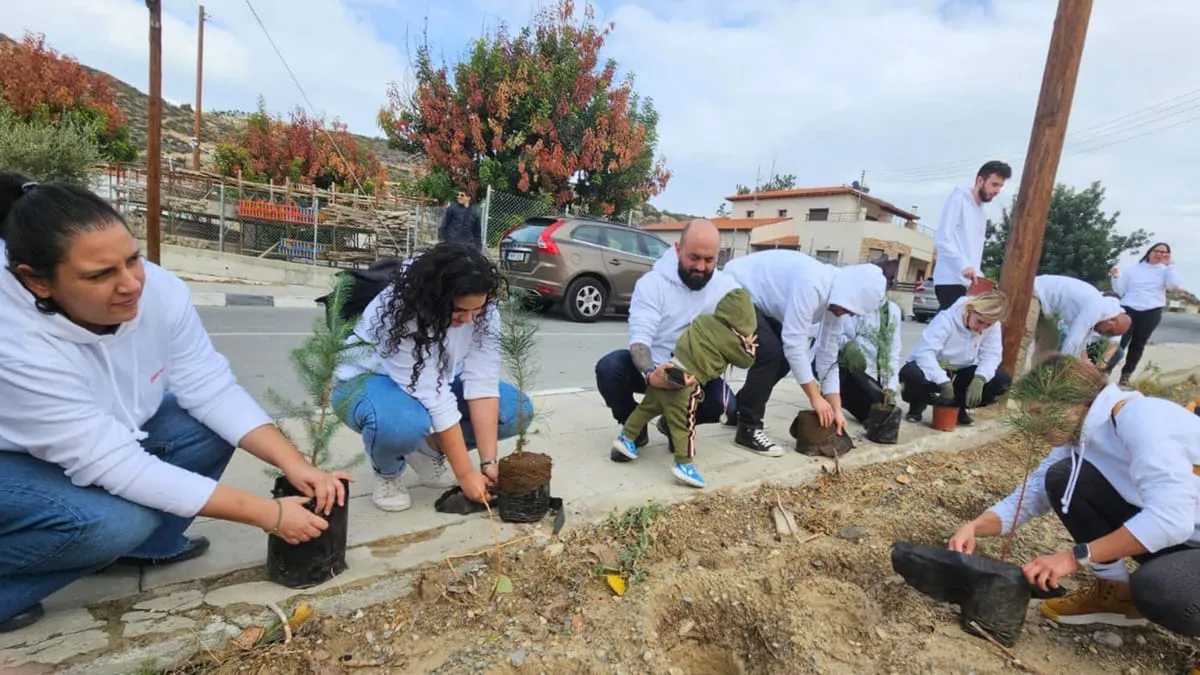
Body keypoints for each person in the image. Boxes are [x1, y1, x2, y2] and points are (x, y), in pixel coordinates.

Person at [0, 175, 349, 633]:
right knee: (116, 522)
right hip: (13, 460)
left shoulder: (158, 292)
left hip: (97, 439)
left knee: (207, 427)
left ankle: (147, 546)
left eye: (132, 260)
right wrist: (269, 514)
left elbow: (210, 387)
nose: (130, 285)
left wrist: (293, 460)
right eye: (100, 275)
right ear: (37, 282)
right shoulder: (14, 340)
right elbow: (116, 467)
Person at [949, 356, 1200, 648]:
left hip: (1184, 531)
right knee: (1061, 477)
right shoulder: (1080, 436)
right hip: (1186, 539)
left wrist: (1074, 557)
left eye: (1041, 412)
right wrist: (975, 526)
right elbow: (1033, 492)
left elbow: (1172, 519)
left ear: (1075, 401)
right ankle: (1114, 596)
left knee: (1161, 588)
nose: (1036, 425)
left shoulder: (1140, 419)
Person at [332, 242, 533, 512]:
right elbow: (434, 396)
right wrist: (465, 476)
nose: (470, 319)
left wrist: (488, 464)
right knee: (401, 423)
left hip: (433, 380)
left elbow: (482, 382)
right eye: (460, 311)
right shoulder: (400, 312)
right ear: (435, 300)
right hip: (368, 381)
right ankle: (388, 473)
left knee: (515, 409)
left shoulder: (482, 311)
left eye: (477, 310)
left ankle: (426, 451)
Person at [594, 220, 740, 463]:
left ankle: (673, 424)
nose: (701, 267)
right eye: (693, 257)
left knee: (723, 403)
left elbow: (742, 330)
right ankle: (634, 428)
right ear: (677, 249)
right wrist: (652, 374)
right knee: (609, 369)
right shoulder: (653, 284)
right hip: (654, 368)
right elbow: (640, 341)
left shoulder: (727, 289)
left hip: (695, 375)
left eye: (709, 260)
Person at [722, 249, 888, 453]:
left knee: (783, 359)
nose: (848, 314)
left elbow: (828, 357)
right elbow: (793, 343)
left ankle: (741, 409)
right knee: (772, 353)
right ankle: (748, 428)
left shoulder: (836, 300)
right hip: (735, 288)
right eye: (849, 309)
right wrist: (815, 397)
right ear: (848, 294)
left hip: (762, 304)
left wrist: (835, 408)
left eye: (852, 312)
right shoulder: (814, 284)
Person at [611, 288, 758, 488]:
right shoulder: (732, 339)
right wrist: (749, 345)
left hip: (668, 370)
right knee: (684, 425)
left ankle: (626, 438)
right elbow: (746, 361)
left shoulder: (703, 320)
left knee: (646, 408)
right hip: (687, 382)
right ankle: (684, 464)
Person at [899, 290, 1012, 426]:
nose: (982, 328)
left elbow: (992, 355)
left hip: (960, 371)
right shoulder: (946, 319)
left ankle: (958, 407)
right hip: (936, 366)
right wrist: (943, 381)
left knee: (1001, 380)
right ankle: (917, 403)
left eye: (988, 325)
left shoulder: (992, 326)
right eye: (980, 322)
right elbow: (924, 353)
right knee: (912, 375)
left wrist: (980, 378)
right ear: (970, 309)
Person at [930, 160, 1011, 310]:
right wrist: (963, 265)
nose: (997, 190)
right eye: (994, 184)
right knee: (949, 327)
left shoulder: (982, 213)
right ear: (980, 180)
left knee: (965, 330)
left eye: (1000, 186)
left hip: (969, 282)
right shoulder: (959, 199)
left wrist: (979, 277)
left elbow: (974, 253)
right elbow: (943, 238)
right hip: (950, 279)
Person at [1022, 274, 1131, 370]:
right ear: (1112, 321)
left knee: (1048, 349)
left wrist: (1094, 373)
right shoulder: (1097, 307)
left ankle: (1035, 386)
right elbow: (1071, 345)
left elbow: (1080, 350)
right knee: (1021, 341)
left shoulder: (1103, 315)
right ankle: (1009, 388)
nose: (1104, 335)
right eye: (1109, 333)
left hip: (1048, 309)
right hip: (1035, 291)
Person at [1108, 242, 1180, 386]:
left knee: (1138, 344)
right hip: (1129, 308)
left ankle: (1125, 377)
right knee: (1118, 342)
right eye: (1156, 251)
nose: (1159, 254)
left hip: (1151, 310)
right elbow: (1121, 290)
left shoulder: (1166, 271)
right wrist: (1115, 277)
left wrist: (1170, 265)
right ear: (1149, 252)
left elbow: (1174, 286)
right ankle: (1105, 371)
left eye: (1163, 252)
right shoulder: (1134, 269)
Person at [833, 297, 903, 423]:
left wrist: (890, 387)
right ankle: (833, 395)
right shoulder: (847, 302)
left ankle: (843, 396)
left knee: (876, 410)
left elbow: (892, 353)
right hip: (842, 364)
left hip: (866, 375)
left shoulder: (891, 311)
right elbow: (825, 333)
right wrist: (847, 347)